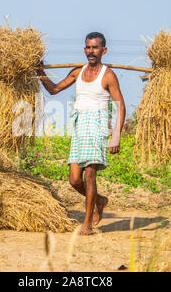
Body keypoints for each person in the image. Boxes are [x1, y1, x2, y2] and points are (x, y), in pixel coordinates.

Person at [35, 32, 126, 235]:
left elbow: (121, 106)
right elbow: (54, 89)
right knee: (75, 180)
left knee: (90, 176)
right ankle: (99, 200)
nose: (90, 52)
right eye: (87, 47)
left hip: (97, 125)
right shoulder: (78, 72)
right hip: (79, 126)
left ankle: (87, 224)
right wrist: (39, 71)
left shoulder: (108, 75)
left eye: (94, 48)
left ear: (104, 50)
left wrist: (116, 135)